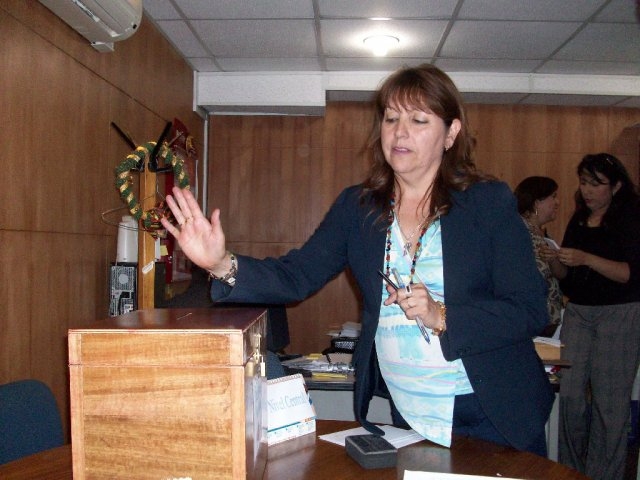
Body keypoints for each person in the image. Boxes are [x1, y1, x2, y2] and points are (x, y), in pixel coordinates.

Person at [160, 64, 554, 456]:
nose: (400, 132)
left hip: (493, 407)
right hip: (412, 414)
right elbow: (297, 275)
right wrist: (220, 263)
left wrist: (443, 316)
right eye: (391, 118)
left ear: (451, 133)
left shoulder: (487, 203)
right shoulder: (359, 207)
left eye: (418, 120)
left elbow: (530, 308)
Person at [547, 153, 640, 479]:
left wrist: (586, 258)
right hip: (579, 311)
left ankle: (604, 474)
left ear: (616, 186)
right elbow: (568, 278)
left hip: (619, 313)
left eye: (596, 184)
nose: (587, 190)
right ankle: (570, 471)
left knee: (609, 403)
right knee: (570, 395)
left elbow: (629, 274)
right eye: (584, 182)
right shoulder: (579, 218)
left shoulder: (630, 219)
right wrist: (555, 259)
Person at [514, 176, 564, 336]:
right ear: (536, 203)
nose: (557, 202)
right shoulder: (519, 233)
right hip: (529, 319)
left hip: (546, 318)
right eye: (553, 197)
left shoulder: (540, 234)